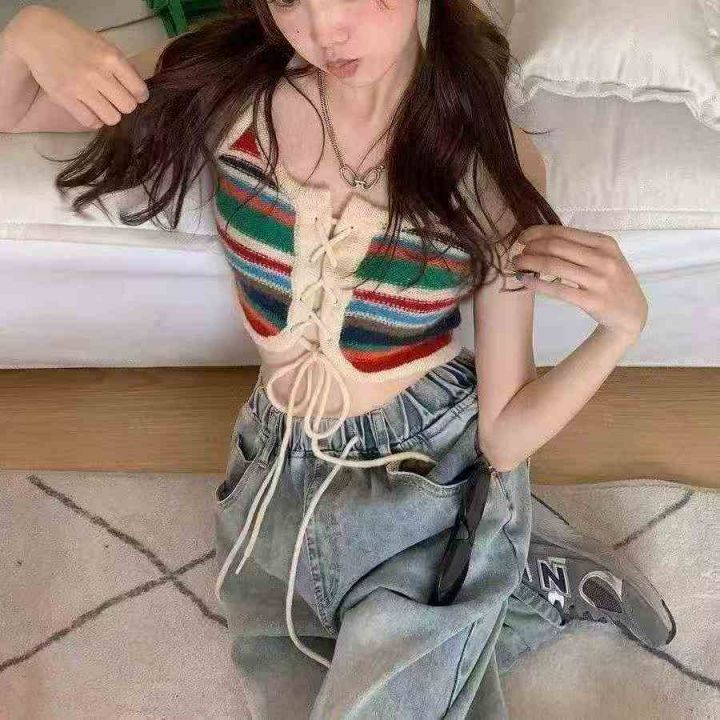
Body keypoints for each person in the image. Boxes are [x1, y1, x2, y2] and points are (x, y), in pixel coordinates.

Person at [0, 2, 675, 718]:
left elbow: (504, 436)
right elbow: (17, 110)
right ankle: (516, 590)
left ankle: (495, 564)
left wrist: (620, 330)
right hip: (274, 478)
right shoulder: (228, 90)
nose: (326, 31)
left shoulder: (482, 159)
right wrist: (25, 35)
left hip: (427, 483)